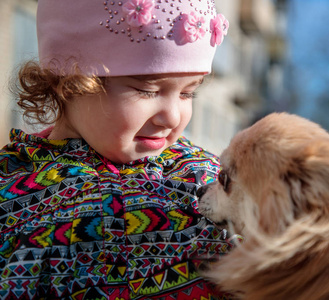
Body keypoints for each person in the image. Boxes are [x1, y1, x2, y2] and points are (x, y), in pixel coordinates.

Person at [0, 0, 232, 299]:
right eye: (147, 90)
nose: (173, 117)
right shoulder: (13, 187)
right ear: (70, 82)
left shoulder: (207, 177)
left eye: (188, 92)